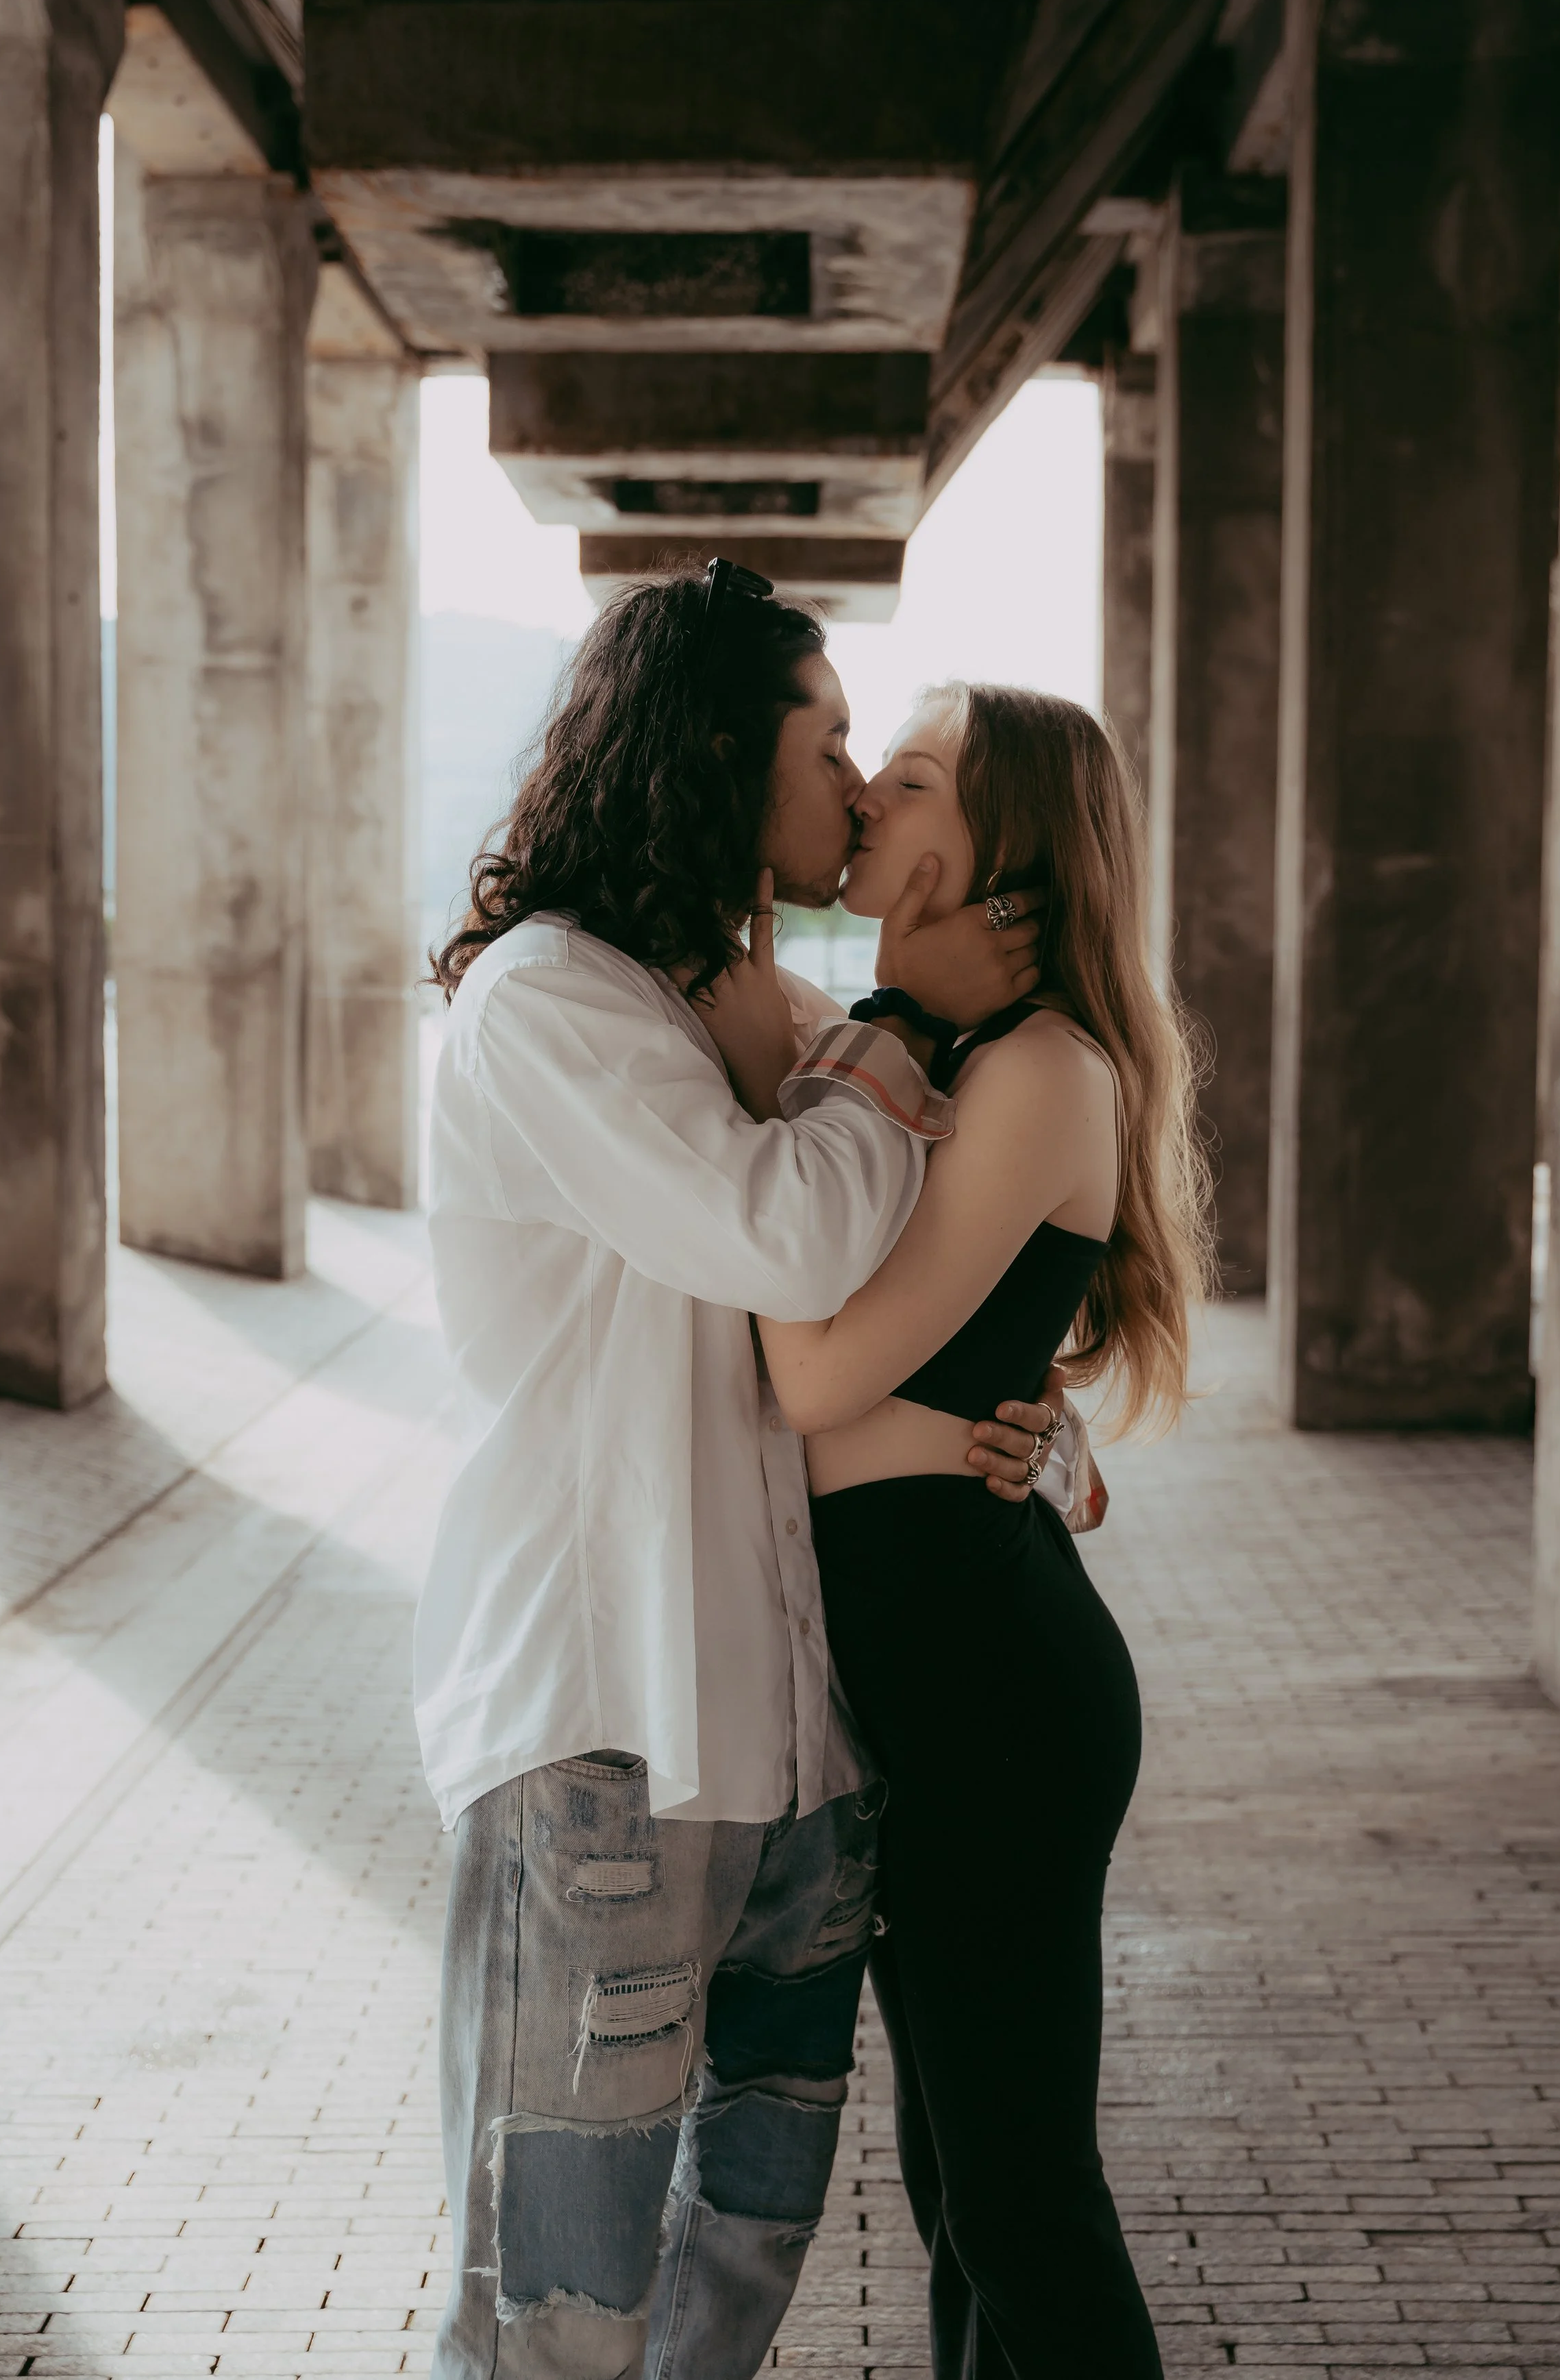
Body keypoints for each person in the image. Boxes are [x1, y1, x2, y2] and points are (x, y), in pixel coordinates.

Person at [417, 564, 1086, 2380]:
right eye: (828, 740)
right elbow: (785, 1246)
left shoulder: (743, 1003)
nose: (858, 788)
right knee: (549, 2302)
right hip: (606, 1732)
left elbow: (907, 1297)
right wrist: (885, 1021)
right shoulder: (553, 1002)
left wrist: (1024, 1419)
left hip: (797, 1747)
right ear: (722, 754)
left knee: (742, 2256)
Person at [698, 681, 1211, 2380]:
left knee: (1015, 2202)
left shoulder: (1040, 1070)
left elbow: (821, 1372)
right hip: (930, 1686)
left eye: (902, 779)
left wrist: (794, 1147)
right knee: (956, 2195)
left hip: (999, 1694)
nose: (861, 801)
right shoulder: (933, 1053)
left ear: (995, 859)